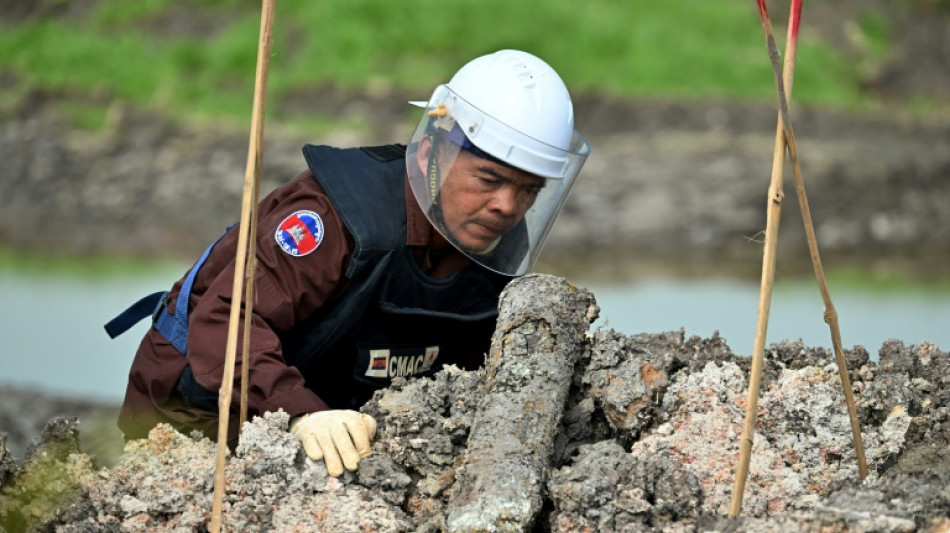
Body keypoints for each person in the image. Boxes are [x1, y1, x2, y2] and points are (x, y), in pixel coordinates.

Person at [105, 49, 590, 477]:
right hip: (197, 410)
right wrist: (299, 413)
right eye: (489, 178)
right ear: (430, 149)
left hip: (339, 416)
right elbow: (226, 321)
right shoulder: (332, 222)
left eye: (529, 190)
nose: (508, 206)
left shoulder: (492, 238)